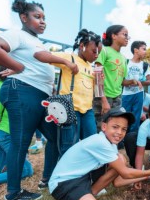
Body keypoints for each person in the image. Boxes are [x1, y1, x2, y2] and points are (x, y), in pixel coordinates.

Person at [0, 0, 77, 200]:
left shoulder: (34, 41)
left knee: (54, 137)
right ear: (23, 17)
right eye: (37, 17)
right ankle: (13, 193)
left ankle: (49, 178)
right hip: (22, 93)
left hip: (39, 98)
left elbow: (35, 61)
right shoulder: (17, 34)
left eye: (44, 18)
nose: (43, 21)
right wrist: (18, 68)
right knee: (21, 143)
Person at [25, 108, 150, 200]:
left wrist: (144, 177)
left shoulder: (110, 145)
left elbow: (117, 181)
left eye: (124, 129)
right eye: (115, 127)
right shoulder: (100, 142)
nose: (119, 132)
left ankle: (87, 199)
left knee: (120, 159)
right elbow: (125, 173)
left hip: (81, 178)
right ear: (104, 127)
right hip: (62, 183)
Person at [34, 29, 102, 160]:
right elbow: (39, 54)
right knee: (69, 145)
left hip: (87, 110)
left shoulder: (91, 66)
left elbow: (97, 92)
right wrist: (67, 63)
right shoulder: (69, 58)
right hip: (70, 110)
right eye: (94, 51)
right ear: (82, 46)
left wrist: (100, 81)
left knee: (92, 141)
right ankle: (65, 176)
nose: (97, 55)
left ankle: (85, 172)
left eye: (98, 52)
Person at [0, 65, 33, 187]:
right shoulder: (19, 90)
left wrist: (3, 120)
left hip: (0, 134)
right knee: (26, 170)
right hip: (9, 135)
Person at [93, 25, 129, 131]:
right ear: (114, 36)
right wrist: (104, 101)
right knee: (100, 128)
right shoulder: (105, 51)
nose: (127, 38)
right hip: (103, 97)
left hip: (117, 98)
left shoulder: (124, 58)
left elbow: (122, 81)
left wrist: (133, 82)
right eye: (124, 34)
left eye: (128, 35)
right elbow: (97, 75)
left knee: (113, 129)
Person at [122, 41, 150, 132]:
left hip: (138, 94)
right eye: (143, 49)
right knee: (124, 117)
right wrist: (131, 82)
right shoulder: (125, 63)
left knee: (136, 118)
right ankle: (122, 140)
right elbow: (121, 81)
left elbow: (149, 81)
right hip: (126, 94)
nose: (145, 51)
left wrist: (139, 82)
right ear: (136, 50)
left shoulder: (145, 65)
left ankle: (132, 139)